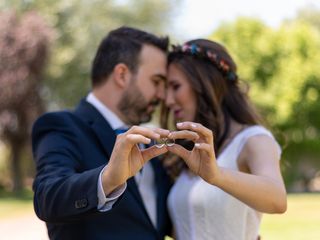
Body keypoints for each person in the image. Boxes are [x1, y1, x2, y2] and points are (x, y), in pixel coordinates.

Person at [32, 26, 172, 240]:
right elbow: (47, 197)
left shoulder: (152, 145)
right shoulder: (60, 126)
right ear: (122, 75)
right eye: (156, 82)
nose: (162, 95)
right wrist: (107, 179)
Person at [161, 39, 287, 240]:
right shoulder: (191, 151)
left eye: (175, 86)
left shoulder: (254, 139)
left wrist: (216, 175)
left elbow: (278, 200)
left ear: (205, 83)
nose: (167, 100)